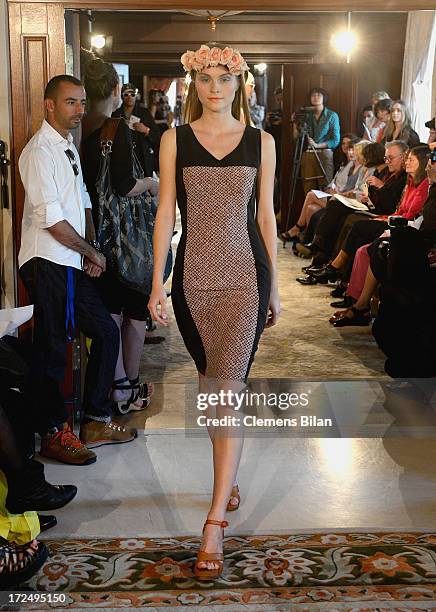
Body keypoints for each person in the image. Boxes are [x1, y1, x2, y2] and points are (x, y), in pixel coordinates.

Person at [148, 43, 279, 581]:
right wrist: (156, 281)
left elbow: (266, 215)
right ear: (193, 84)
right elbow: (163, 215)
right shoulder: (174, 139)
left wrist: (274, 290)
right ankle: (230, 479)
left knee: (227, 391)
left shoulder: (262, 142)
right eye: (206, 79)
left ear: (239, 84)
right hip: (194, 284)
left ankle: (213, 521)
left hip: (246, 280)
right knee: (211, 393)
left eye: (225, 79)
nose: (216, 88)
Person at [18, 75, 137, 463]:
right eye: (71, 103)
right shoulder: (39, 153)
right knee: (53, 349)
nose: (80, 110)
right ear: (49, 105)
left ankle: (95, 420)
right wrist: (91, 251)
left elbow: (82, 197)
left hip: (70, 259)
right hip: (46, 261)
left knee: (105, 332)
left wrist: (89, 249)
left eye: (82, 102)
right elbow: (51, 219)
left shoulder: (67, 145)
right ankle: (53, 433)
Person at [81, 58, 156, 416]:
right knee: (135, 309)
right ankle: (127, 385)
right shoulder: (117, 128)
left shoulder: (82, 130)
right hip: (128, 239)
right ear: (115, 90)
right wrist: (154, 184)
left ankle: (118, 383)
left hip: (95, 235)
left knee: (109, 309)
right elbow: (126, 185)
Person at [112, 82, 160, 177]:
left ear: (136, 96)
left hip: (143, 158)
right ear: (122, 96)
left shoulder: (145, 113)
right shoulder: (116, 115)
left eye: (132, 94)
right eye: (126, 94)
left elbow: (157, 135)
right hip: (123, 158)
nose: (129, 97)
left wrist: (146, 130)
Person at [298, 87, 340, 193]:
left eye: (318, 95)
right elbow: (297, 137)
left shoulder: (332, 115)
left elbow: (335, 140)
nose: (315, 97)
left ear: (324, 98)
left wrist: (317, 145)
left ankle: (325, 210)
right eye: (313, 95)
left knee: (326, 187)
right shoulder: (306, 115)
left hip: (324, 153)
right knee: (308, 188)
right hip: (308, 153)